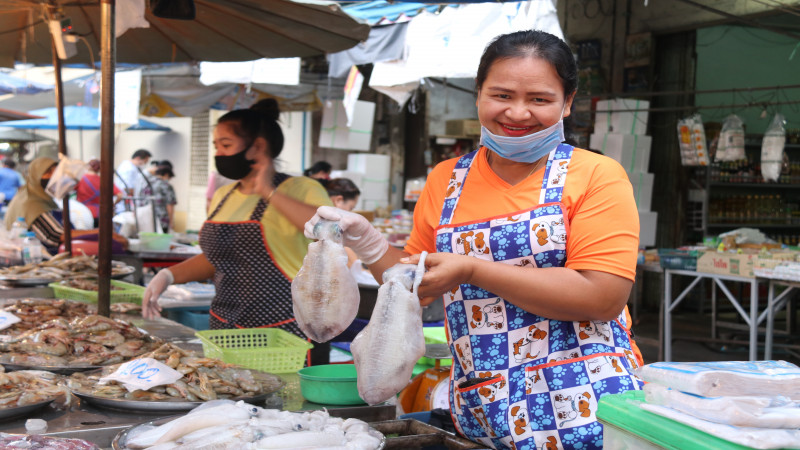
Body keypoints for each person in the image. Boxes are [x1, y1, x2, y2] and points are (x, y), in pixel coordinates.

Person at [305, 30, 643, 449]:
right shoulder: (446, 180)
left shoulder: (596, 176)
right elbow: (414, 285)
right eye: (501, 95)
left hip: (584, 403)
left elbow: (602, 296)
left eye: (539, 99)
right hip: (484, 405)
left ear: (567, 103)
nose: (518, 113)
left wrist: (472, 269)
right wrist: (368, 242)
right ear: (478, 93)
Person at [141, 99, 333, 364]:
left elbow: (329, 232)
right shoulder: (224, 194)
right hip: (226, 328)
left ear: (258, 147)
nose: (219, 153)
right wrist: (168, 275)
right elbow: (218, 258)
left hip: (286, 333)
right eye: (216, 146)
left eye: (226, 145)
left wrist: (268, 191)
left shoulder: (302, 188)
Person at [4, 157, 128, 254]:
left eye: (54, 173)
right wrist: (102, 233)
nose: (52, 177)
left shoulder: (39, 198)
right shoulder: (31, 202)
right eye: (47, 173)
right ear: (35, 176)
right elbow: (58, 235)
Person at [76, 159, 123, 228]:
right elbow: (120, 195)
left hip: (84, 213)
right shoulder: (104, 180)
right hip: (102, 214)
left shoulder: (80, 179)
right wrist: (113, 205)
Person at [145, 165, 177, 233]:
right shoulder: (166, 186)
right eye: (169, 177)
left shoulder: (147, 183)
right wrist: (171, 221)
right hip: (162, 219)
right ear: (166, 174)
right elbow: (170, 204)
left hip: (147, 217)